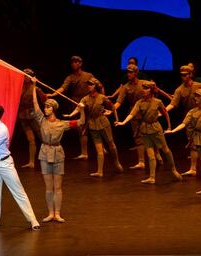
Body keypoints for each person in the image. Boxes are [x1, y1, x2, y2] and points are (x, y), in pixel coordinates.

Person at [32, 79, 85, 222]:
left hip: (58, 154)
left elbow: (81, 122)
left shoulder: (62, 124)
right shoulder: (42, 120)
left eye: (48, 107)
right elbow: (35, 105)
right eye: (45, 107)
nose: (45, 109)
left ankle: (57, 213)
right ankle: (50, 213)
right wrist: (34, 86)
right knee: (49, 188)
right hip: (44, 153)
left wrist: (81, 110)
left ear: (53, 109)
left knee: (58, 187)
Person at [115, 83, 183, 184]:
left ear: (150, 90)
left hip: (155, 129)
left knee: (165, 149)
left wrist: (169, 126)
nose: (143, 90)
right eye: (143, 89)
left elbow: (165, 114)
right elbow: (132, 114)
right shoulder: (139, 102)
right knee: (150, 154)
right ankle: (152, 177)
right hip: (145, 129)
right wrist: (123, 122)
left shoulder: (158, 102)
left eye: (146, 89)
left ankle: (173, 169)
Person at [165, 65, 201, 176]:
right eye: (181, 75)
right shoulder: (179, 89)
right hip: (191, 117)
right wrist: (163, 112)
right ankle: (193, 168)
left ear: (190, 75)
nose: (183, 77)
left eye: (185, 75)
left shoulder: (199, 86)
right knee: (192, 143)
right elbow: (173, 104)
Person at [64, 78, 123, 177]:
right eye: (88, 85)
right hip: (92, 124)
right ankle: (100, 171)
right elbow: (78, 108)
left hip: (103, 123)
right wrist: (71, 115)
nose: (89, 86)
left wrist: (114, 115)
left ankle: (116, 162)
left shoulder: (102, 97)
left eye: (91, 85)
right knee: (99, 148)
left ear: (95, 86)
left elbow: (112, 107)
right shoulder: (85, 98)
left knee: (111, 143)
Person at [47, 55, 95, 160]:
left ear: (80, 63)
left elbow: (99, 86)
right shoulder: (70, 77)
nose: (74, 64)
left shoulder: (88, 75)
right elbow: (62, 88)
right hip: (76, 104)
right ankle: (84, 153)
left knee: (94, 125)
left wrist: (99, 100)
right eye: (72, 62)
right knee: (81, 128)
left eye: (76, 62)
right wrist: (53, 94)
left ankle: (101, 147)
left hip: (88, 103)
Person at [18, 68, 47, 169]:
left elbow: (44, 99)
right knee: (30, 140)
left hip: (33, 115)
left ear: (30, 77)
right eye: (24, 75)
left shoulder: (35, 88)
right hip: (23, 115)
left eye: (27, 76)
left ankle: (49, 157)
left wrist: (48, 111)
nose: (25, 77)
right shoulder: (19, 87)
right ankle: (31, 162)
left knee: (43, 137)